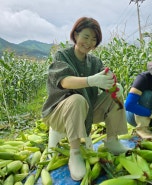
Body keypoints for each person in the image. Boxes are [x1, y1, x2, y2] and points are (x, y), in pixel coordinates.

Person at [42, 17, 129, 181]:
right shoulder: (62, 55)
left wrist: (109, 81)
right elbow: (64, 81)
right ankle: (74, 153)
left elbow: (104, 81)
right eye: (86, 36)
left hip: (87, 112)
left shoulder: (95, 61)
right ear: (75, 35)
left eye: (94, 39)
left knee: (117, 91)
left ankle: (112, 140)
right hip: (58, 114)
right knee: (76, 99)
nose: (89, 42)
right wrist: (91, 80)